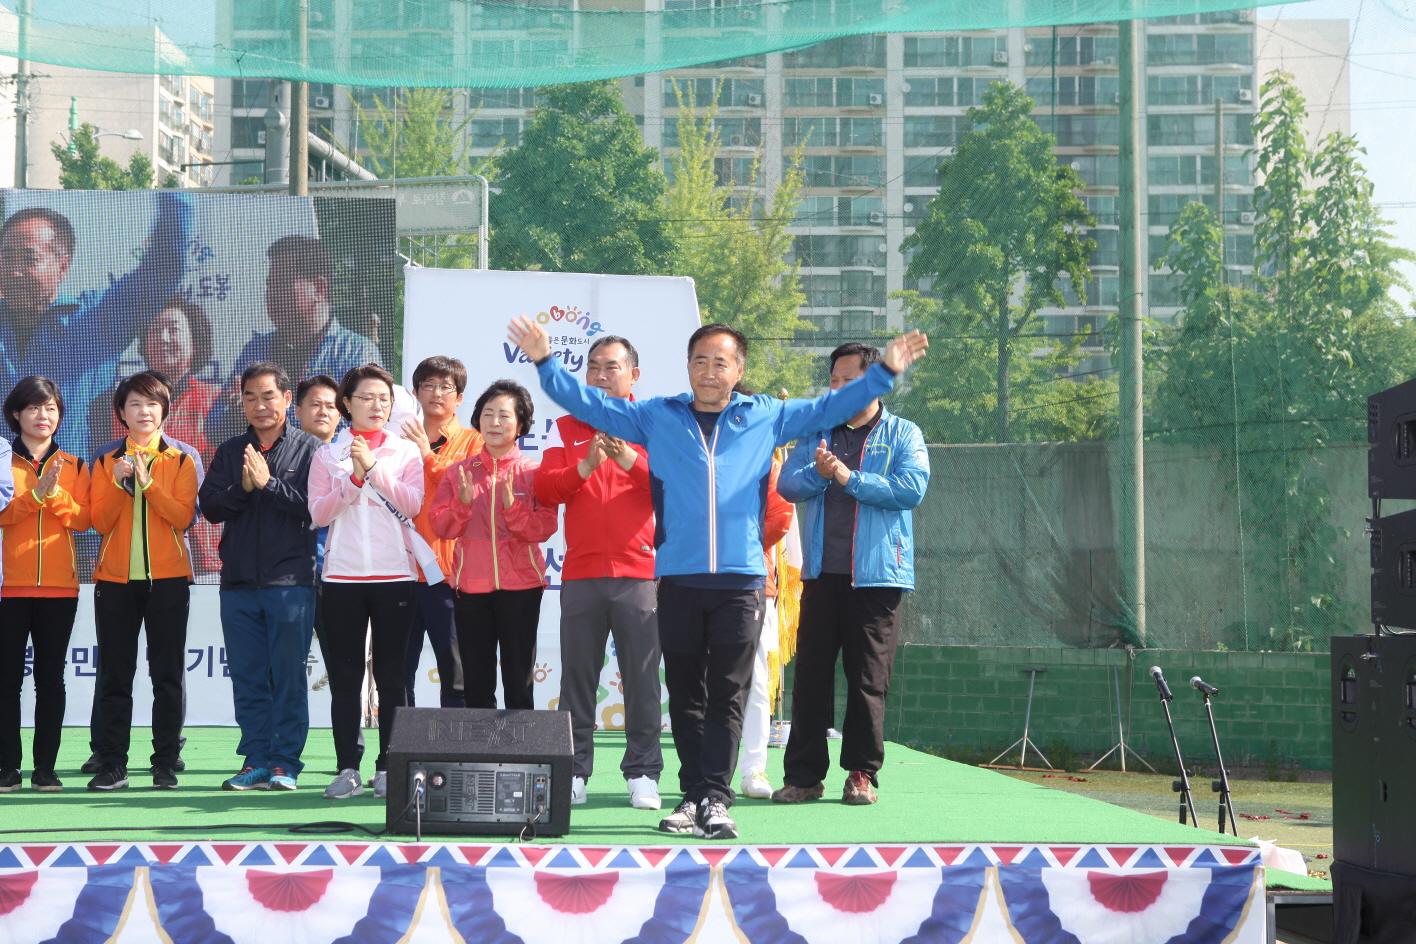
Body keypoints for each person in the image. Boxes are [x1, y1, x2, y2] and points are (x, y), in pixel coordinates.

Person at [507, 317, 928, 840]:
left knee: (728, 696)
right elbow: (591, 405)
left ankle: (715, 798)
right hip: (679, 579)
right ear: (687, 367)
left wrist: (884, 372)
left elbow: (830, 408)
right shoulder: (659, 416)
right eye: (700, 361)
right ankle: (691, 796)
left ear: (739, 368)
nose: (709, 371)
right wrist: (546, 362)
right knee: (686, 696)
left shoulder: (765, 416)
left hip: (740, 582)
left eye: (721, 362)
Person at [773, 342, 930, 806]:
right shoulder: (818, 430)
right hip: (822, 575)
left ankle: (861, 773)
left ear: (873, 382)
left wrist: (848, 477)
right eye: (833, 380)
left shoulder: (903, 433)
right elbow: (787, 483)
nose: (838, 388)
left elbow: (911, 488)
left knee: (868, 679)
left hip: (878, 578)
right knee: (811, 678)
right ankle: (803, 777)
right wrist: (820, 474)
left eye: (849, 380)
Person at [534, 335, 663, 811]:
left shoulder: (653, 424)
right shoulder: (565, 426)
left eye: (612, 367)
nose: (601, 375)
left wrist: (628, 458)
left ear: (633, 374)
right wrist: (586, 465)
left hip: (640, 572)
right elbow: (546, 489)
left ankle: (643, 773)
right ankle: (573, 771)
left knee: (643, 680)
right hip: (582, 572)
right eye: (593, 367)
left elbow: (671, 485)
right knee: (576, 679)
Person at [199, 362, 321, 792]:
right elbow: (211, 507)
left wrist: (268, 484)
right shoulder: (231, 451)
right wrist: (245, 488)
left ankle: (285, 763)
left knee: (287, 677)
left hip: (290, 583)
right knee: (248, 677)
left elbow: (315, 508)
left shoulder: (311, 449)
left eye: (268, 395)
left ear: (287, 399)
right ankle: (256, 760)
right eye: (250, 396)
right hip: (237, 585)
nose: (259, 405)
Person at [80, 369, 207, 777]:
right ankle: (112, 761)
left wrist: (148, 484)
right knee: (115, 676)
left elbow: (183, 517)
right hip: (115, 582)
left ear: (165, 409)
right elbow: (99, 522)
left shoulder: (183, 457)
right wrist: (120, 484)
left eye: (152, 403)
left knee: (167, 675)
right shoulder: (105, 459)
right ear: (121, 412)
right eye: (134, 403)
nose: (144, 411)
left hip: (168, 581)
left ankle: (165, 761)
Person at [307, 363, 424, 800]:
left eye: (384, 399)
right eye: (367, 398)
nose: (377, 406)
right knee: (346, 677)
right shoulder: (328, 454)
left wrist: (374, 468)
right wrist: (354, 478)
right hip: (342, 578)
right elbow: (318, 514)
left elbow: (412, 505)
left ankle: (391, 766)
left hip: (395, 576)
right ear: (347, 403)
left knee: (392, 677)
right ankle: (347, 768)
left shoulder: (405, 451)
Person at [0, 194, 191, 459]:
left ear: (63, 265)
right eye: (6, 258)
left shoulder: (95, 321)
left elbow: (162, 271)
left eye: (29, 259)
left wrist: (174, 198)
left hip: (69, 481)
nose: (13, 271)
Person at [431, 380, 557, 711]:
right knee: (476, 680)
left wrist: (513, 509)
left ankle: (521, 743)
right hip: (470, 587)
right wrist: (462, 504)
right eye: (487, 414)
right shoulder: (458, 473)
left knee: (519, 679)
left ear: (521, 424)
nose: (494, 422)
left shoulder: (535, 472)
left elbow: (545, 527)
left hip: (522, 587)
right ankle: (480, 744)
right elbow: (442, 527)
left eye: (504, 415)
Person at [1, 382, 89, 790]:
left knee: (51, 680)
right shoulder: (2, 461)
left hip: (59, 589)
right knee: (6, 681)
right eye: (34, 407)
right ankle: (7, 767)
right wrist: (34, 495)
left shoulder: (75, 464)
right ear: (16, 414)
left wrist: (52, 495)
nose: (43, 416)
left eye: (51, 408)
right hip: (8, 588)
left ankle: (45, 769)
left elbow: (85, 520)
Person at [207, 236, 380, 443]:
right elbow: (213, 427)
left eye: (282, 284)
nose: (272, 295)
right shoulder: (256, 351)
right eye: (269, 285)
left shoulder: (356, 353)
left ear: (319, 288)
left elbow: (368, 427)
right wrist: (236, 416)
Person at [400, 356, 483, 708]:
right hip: (401, 572)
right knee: (397, 671)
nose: (436, 393)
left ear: (459, 398)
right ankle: (396, 741)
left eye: (446, 387)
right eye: (429, 385)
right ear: (416, 393)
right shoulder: (397, 439)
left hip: (449, 575)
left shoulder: (475, 441)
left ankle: (458, 742)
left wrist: (427, 455)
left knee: (456, 671)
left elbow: (467, 486)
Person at [732, 390, 795, 801]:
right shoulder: (698, 459)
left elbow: (780, 517)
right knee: (703, 682)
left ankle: (754, 767)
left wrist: (739, 553)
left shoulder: (770, 468)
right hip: (696, 585)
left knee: (756, 680)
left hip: (752, 585)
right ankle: (705, 773)